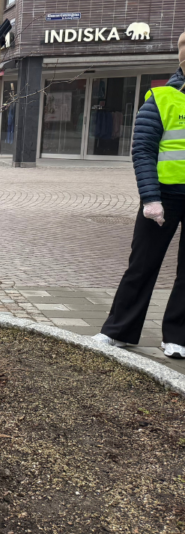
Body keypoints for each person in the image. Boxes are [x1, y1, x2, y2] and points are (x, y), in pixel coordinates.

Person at [94, 32, 185, 359]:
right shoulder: (163, 97)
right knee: (142, 264)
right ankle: (118, 331)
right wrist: (151, 199)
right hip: (165, 195)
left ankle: (178, 336)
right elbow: (143, 150)